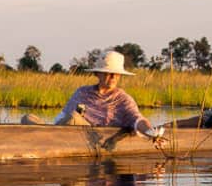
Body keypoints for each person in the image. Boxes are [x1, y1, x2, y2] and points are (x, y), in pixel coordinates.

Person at [22, 50, 162, 139]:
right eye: (108, 73)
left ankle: (44, 138)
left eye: (116, 74)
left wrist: (150, 132)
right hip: (60, 134)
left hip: (91, 137)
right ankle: (43, 138)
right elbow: (61, 118)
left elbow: (137, 120)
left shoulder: (123, 99)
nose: (113, 77)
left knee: (73, 118)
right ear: (97, 73)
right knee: (27, 118)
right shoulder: (82, 92)